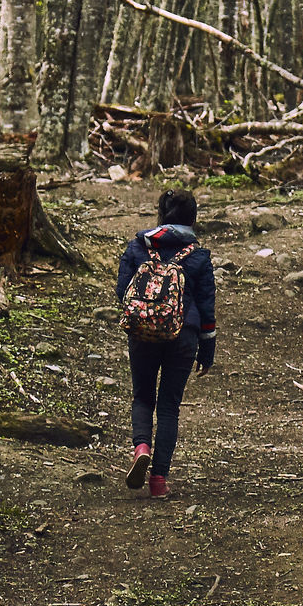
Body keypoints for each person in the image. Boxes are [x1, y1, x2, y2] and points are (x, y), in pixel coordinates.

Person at [116, 188, 215, 499]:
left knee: (143, 396)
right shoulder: (198, 256)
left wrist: (144, 317)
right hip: (183, 334)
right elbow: (207, 306)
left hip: (142, 333)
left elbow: (123, 293)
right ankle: (158, 481)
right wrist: (207, 348)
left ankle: (141, 446)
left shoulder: (137, 248)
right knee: (169, 406)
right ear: (193, 219)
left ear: (159, 216)